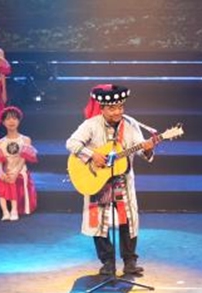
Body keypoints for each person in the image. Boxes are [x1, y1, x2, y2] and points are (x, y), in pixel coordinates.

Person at [65, 84, 160, 277]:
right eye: (112, 108)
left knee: (128, 220)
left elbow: (141, 150)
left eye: (120, 107)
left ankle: (129, 261)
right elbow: (71, 143)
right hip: (99, 183)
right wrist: (92, 155)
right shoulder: (91, 125)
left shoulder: (131, 125)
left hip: (122, 181)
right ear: (102, 108)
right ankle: (107, 262)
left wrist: (148, 148)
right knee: (100, 223)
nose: (118, 112)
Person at [0, 106, 38, 221]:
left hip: (20, 171)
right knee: (0, 179)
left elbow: (23, 159)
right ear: (3, 122)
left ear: (19, 121)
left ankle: (14, 210)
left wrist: (16, 172)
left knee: (13, 179)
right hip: (6, 171)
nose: (11, 121)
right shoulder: (0, 142)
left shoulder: (25, 140)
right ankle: (5, 212)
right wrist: (1, 172)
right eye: (7, 119)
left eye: (14, 118)